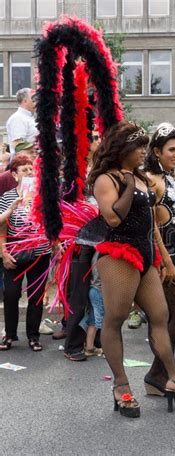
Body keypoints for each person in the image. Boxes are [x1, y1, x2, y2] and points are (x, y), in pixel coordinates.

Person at [89, 121, 175, 417]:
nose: (142, 153)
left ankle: (173, 376)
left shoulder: (141, 177)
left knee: (160, 316)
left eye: (143, 147)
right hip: (118, 256)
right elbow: (113, 219)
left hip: (146, 256)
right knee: (116, 319)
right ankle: (121, 385)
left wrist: (164, 259)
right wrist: (125, 182)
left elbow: (152, 224)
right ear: (122, 148)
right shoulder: (105, 179)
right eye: (137, 147)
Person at [143, 123, 175, 393]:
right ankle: (158, 373)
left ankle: (159, 373)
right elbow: (151, 227)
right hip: (165, 263)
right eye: (171, 149)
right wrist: (164, 261)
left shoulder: (170, 177)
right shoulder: (151, 180)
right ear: (157, 151)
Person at [0, 155, 51, 352]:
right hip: (14, 254)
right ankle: (10, 334)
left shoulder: (43, 197)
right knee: (11, 294)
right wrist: (4, 253)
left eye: (31, 169)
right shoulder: (7, 197)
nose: (30, 172)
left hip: (40, 254)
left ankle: (33, 336)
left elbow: (52, 225)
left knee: (36, 295)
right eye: (24, 170)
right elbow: (2, 228)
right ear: (14, 175)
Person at [6, 88, 38, 156]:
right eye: (34, 99)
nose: (37, 102)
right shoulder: (18, 118)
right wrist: (38, 148)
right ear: (25, 101)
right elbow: (18, 144)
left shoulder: (30, 118)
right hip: (24, 163)